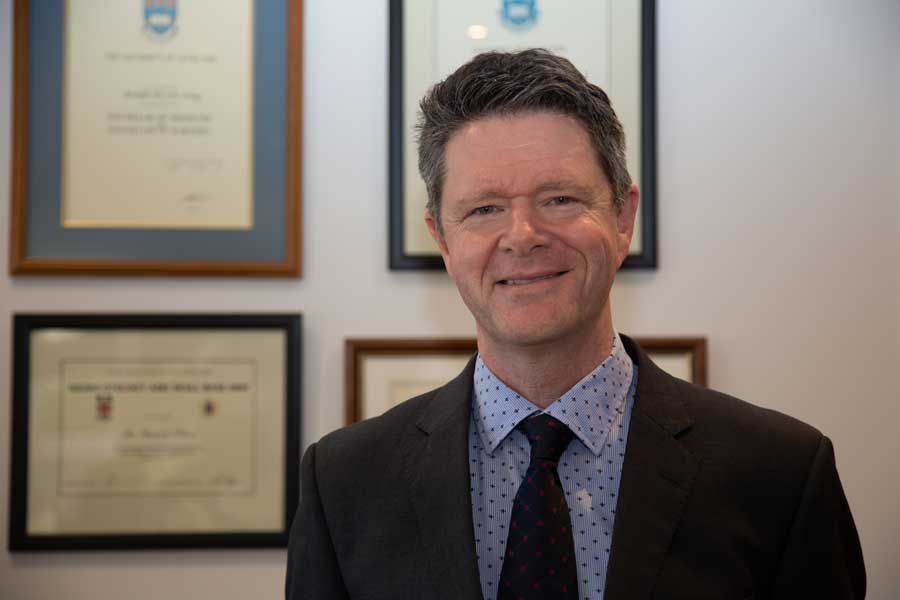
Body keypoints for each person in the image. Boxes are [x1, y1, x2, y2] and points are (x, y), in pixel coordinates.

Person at [285, 49, 865, 600]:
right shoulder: (344, 482)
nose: (523, 235)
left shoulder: (780, 473)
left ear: (622, 218)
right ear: (441, 238)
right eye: (484, 208)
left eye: (560, 198)